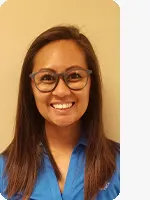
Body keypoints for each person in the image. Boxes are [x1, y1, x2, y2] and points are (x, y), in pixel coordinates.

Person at [0, 25, 120, 200]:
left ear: (90, 84)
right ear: (30, 89)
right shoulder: (3, 170)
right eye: (47, 78)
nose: (62, 91)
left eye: (74, 76)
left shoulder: (126, 166)